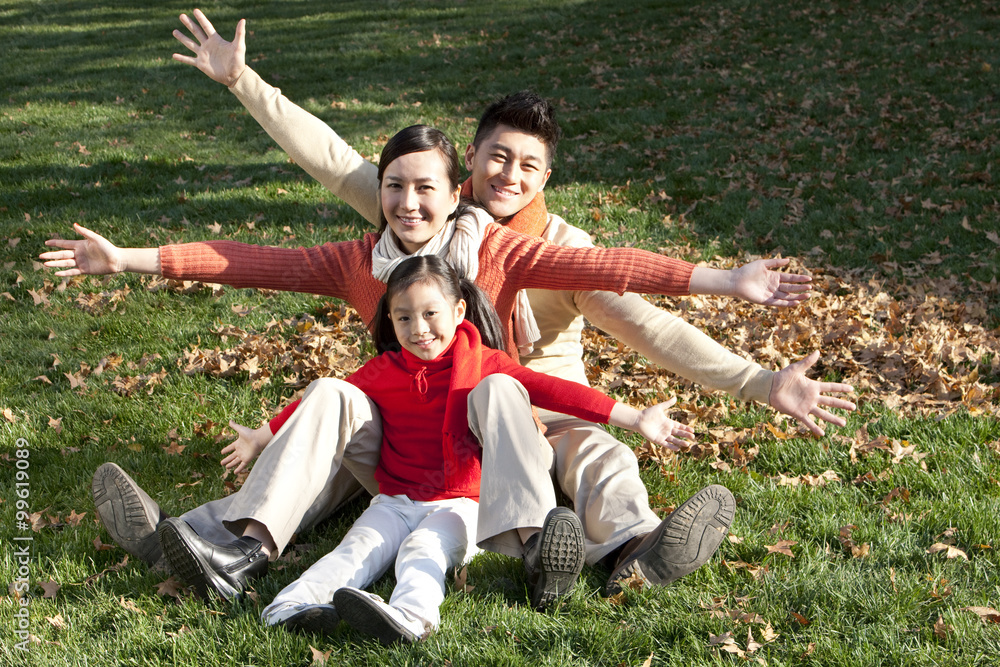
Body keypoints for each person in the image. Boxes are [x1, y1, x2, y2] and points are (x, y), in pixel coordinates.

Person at [169, 9, 857, 596]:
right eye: (498, 157)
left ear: (547, 176)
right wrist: (243, 83)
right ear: (470, 157)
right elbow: (332, 156)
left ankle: (634, 549)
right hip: (430, 397)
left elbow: (649, 327)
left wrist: (761, 381)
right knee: (343, 436)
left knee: (596, 453)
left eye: (528, 164)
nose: (509, 174)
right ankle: (212, 535)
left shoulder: (558, 250)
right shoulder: (430, 211)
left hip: (540, 406)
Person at [41, 123, 789, 603]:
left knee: (584, 441)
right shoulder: (360, 258)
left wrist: (725, 281)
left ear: (450, 191)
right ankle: (211, 542)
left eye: (423, 187)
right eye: (393, 186)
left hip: (497, 422)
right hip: (399, 430)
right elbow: (249, 259)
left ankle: (623, 546)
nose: (406, 201)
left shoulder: (499, 250)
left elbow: (612, 268)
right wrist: (128, 259)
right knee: (329, 412)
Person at [226, 255, 704, 643]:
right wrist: (264, 434)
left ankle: (410, 617)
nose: (419, 329)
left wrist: (633, 417)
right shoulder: (386, 369)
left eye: (431, 314)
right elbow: (317, 402)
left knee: (424, 550)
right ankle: (290, 606)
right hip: (395, 499)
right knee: (359, 547)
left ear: (458, 312)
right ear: (391, 322)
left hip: (462, 504)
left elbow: (556, 392)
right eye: (404, 317)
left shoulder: (487, 364)